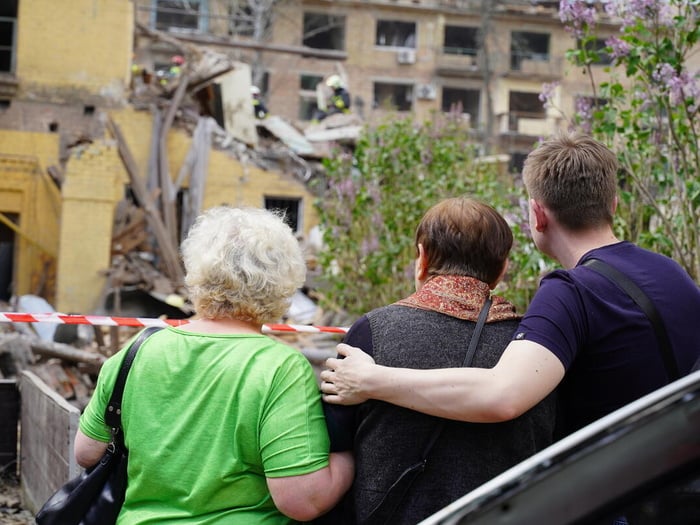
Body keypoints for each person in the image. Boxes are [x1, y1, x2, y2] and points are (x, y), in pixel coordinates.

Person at [320, 131, 700, 441]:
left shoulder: (571, 291)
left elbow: (502, 396)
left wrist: (372, 379)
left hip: (616, 497)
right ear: (613, 204)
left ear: (536, 214)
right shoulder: (673, 273)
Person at [75, 206, 354, 523]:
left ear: (197, 272)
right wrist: (348, 460)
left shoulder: (137, 351)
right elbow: (301, 499)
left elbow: (86, 453)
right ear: (283, 281)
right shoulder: (280, 368)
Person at [323, 197, 555, 524]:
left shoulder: (372, 332)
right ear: (502, 269)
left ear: (422, 258)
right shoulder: (534, 347)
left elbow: (333, 442)